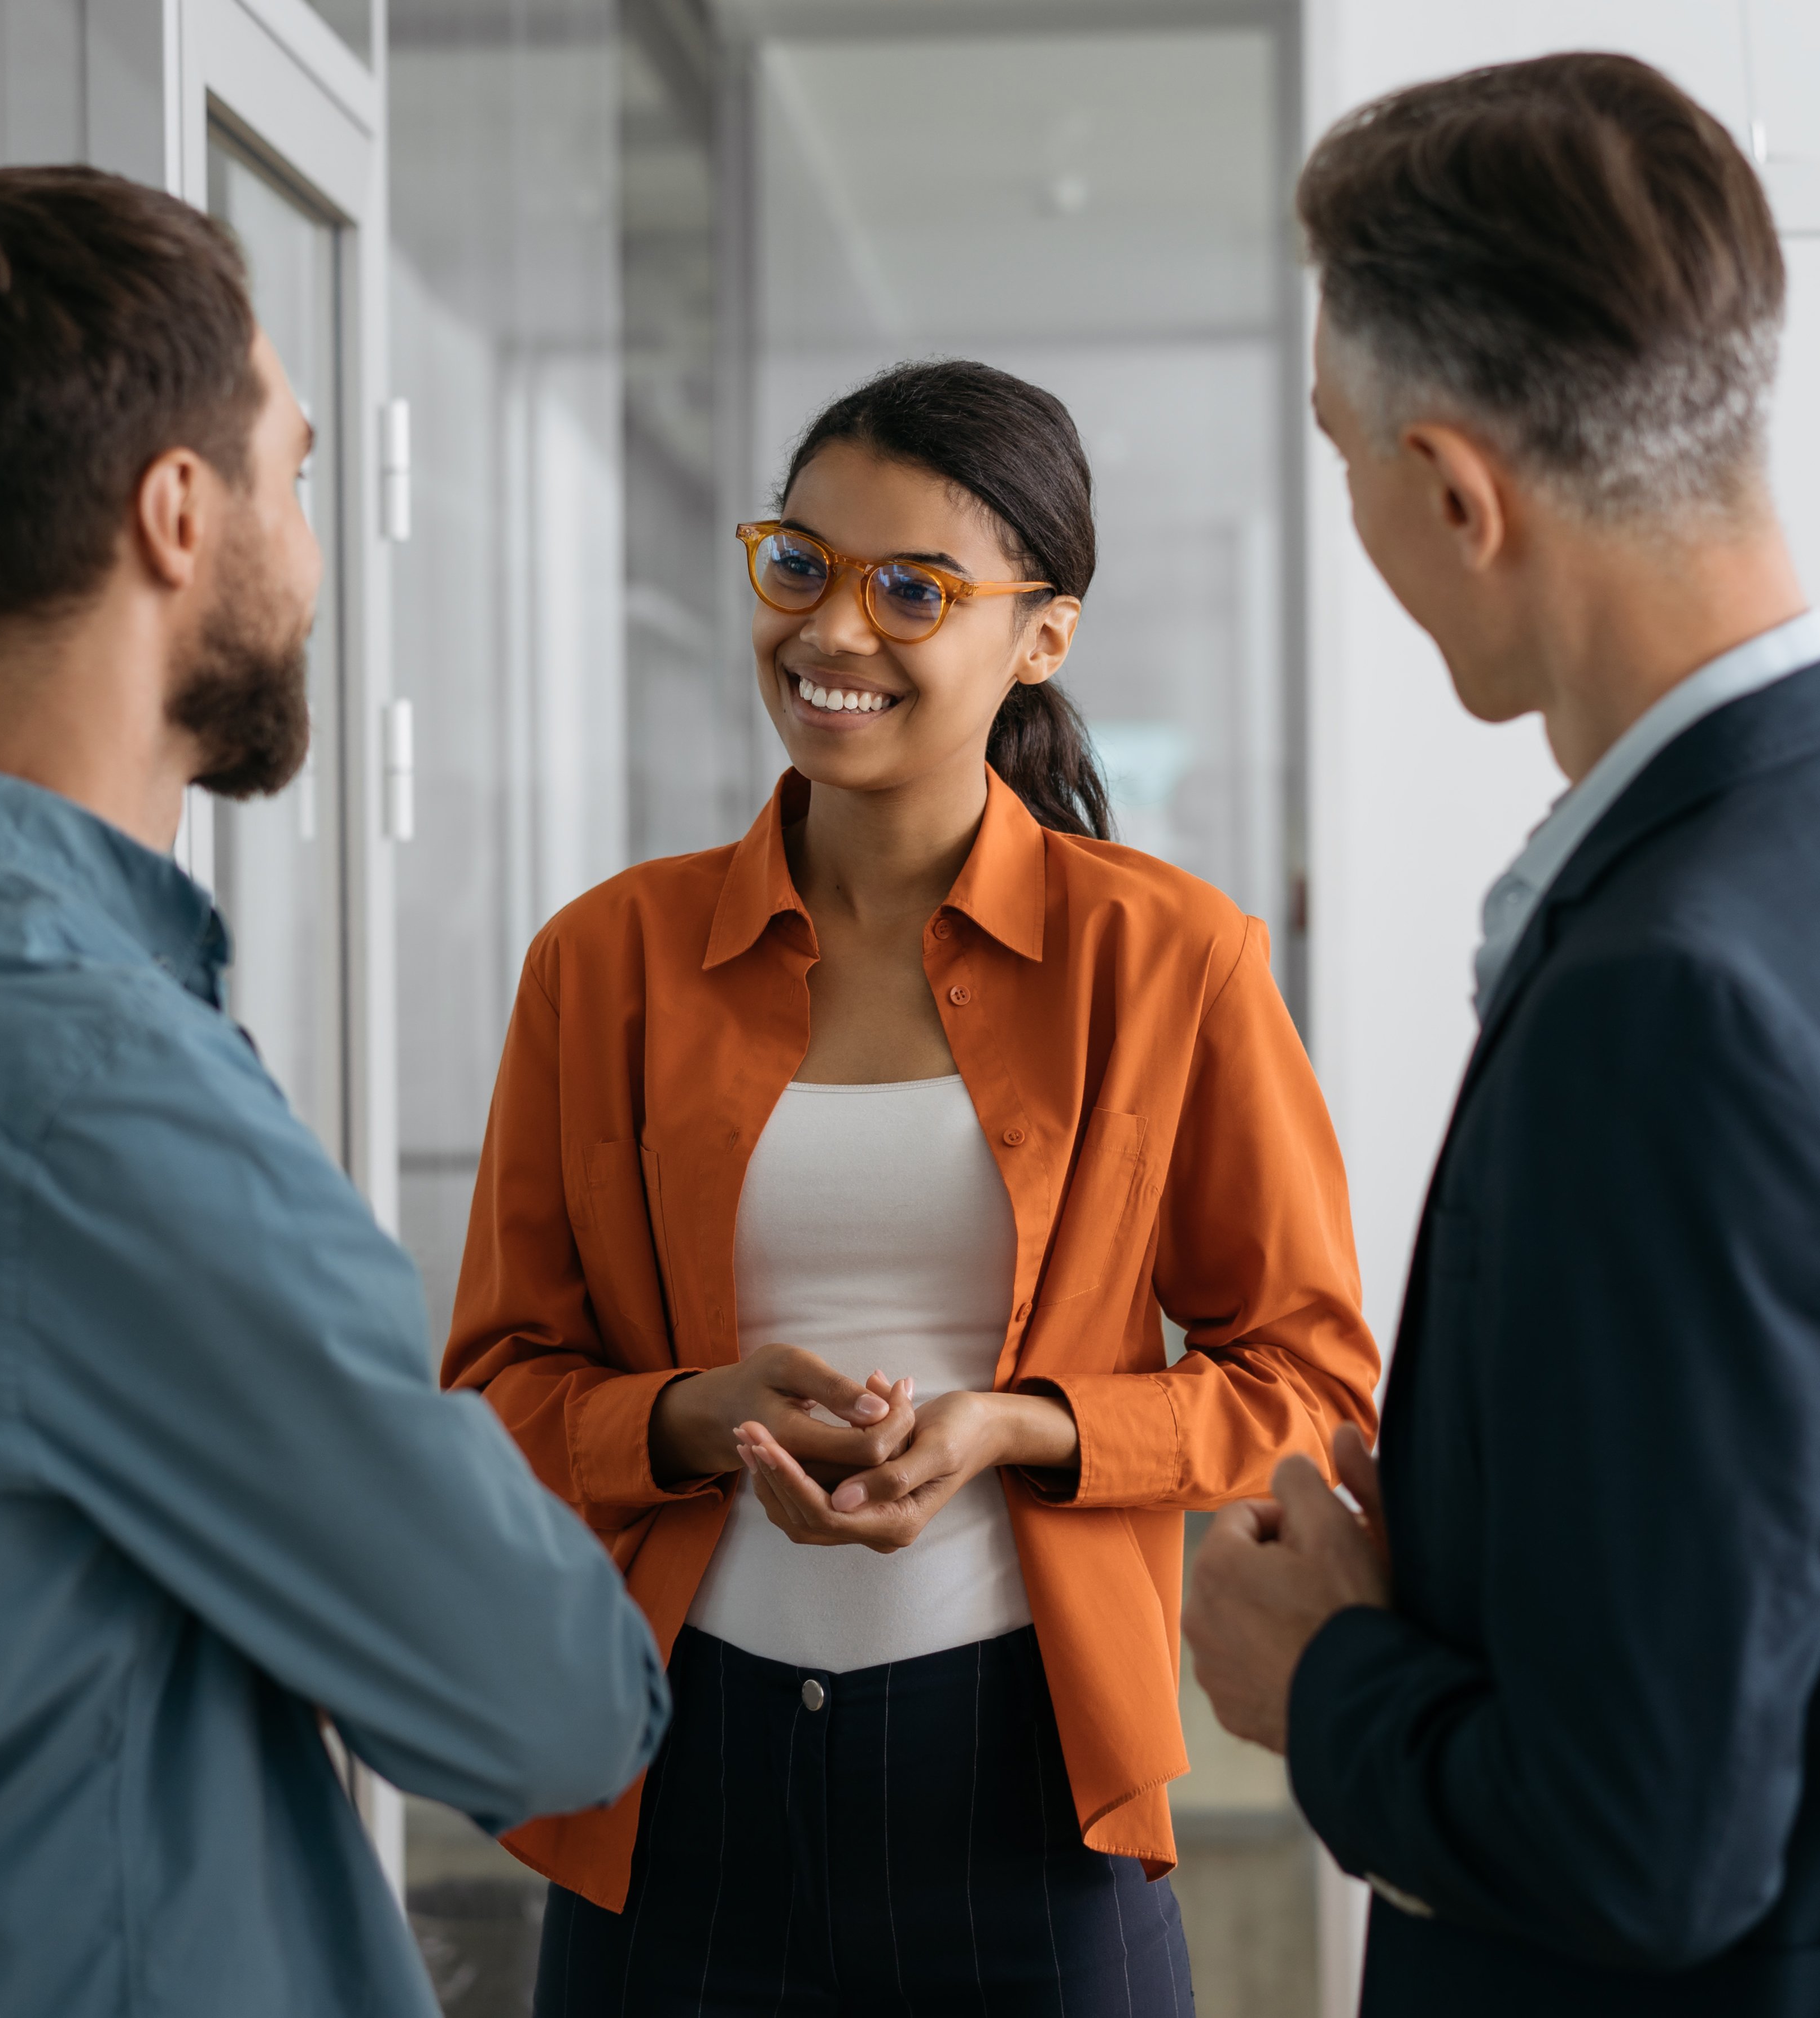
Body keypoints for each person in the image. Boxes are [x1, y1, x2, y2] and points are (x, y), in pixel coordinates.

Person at [1180, 53, 1820, 2018]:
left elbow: (1640, 1844)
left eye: (1341, 448)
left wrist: (1314, 1675)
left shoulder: (1670, 997)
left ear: (1456, 493)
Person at [0, 166, 667, 2018]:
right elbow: (548, 1699)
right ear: (180, 512)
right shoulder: (79, 1073)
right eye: (296, 474)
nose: (311, 550)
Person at [444, 358, 1380, 2013]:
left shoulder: (1168, 961)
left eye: (912, 592)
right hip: (674, 1784)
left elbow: (1306, 1386)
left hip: (1025, 1786)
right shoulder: (603, 964)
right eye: (799, 565)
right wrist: (687, 1415)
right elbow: (495, 1389)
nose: (832, 634)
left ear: (1042, 634)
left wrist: (1018, 1426)